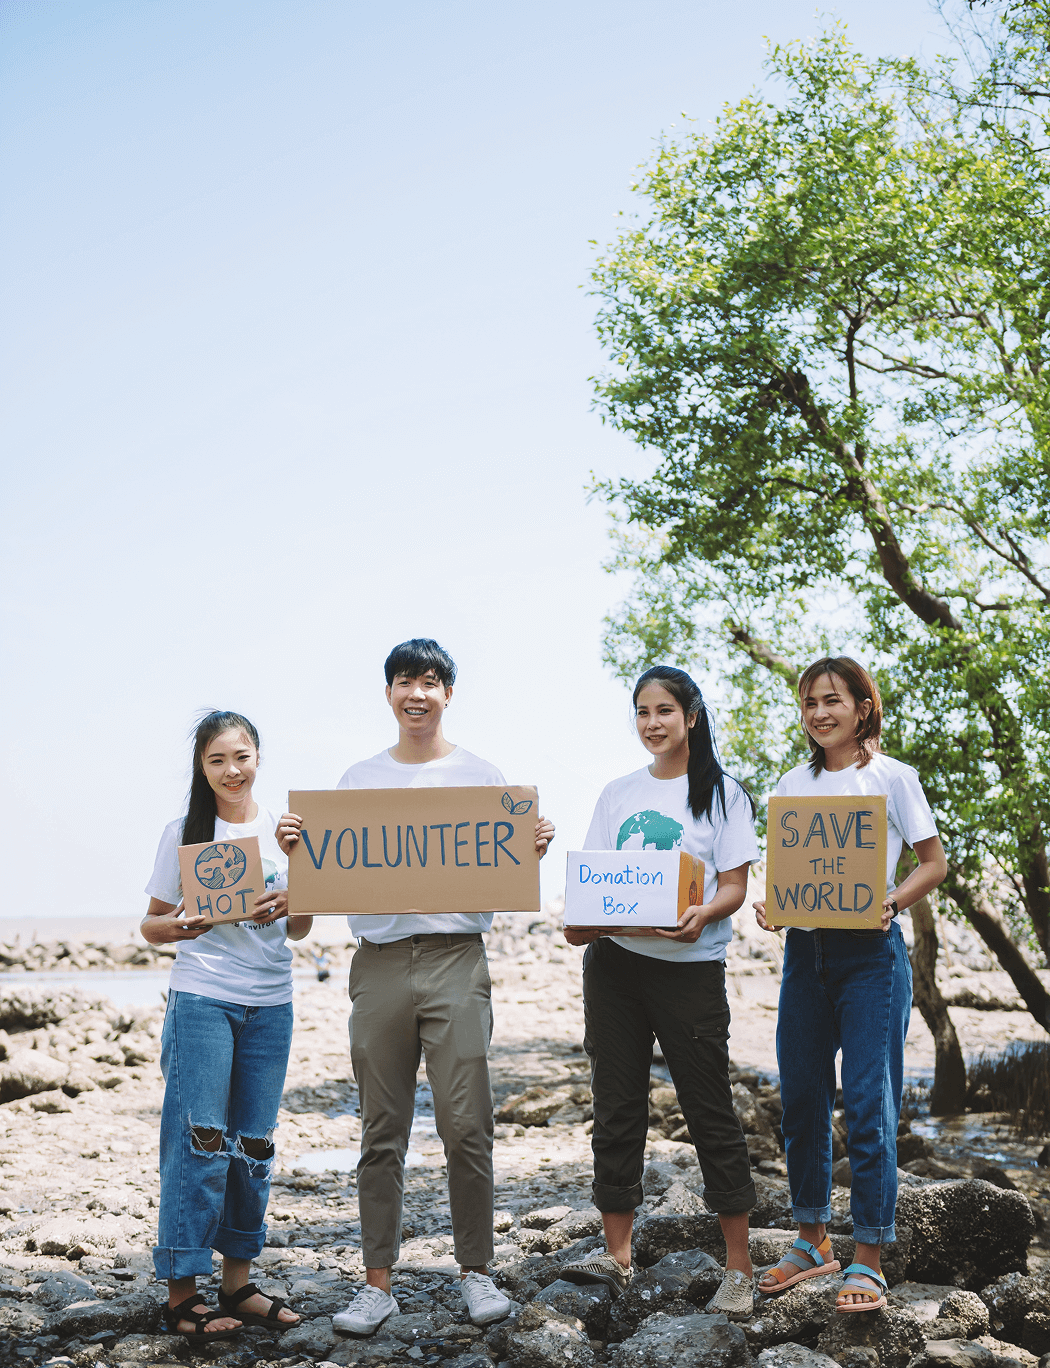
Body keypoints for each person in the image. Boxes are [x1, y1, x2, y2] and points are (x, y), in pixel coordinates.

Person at [277, 639, 555, 1335]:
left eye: (430, 682)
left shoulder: (482, 774)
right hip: (377, 962)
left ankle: (476, 1271)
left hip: (457, 958)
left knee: (468, 1125)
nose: (418, 694)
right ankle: (377, 1283)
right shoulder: (358, 778)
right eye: (406, 681)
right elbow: (320, 885)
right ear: (390, 693)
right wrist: (296, 851)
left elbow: (500, 863)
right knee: (381, 1128)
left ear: (448, 694)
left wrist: (530, 845)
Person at [561, 665, 760, 1321]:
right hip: (615, 968)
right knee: (617, 1105)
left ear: (692, 718)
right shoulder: (618, 794)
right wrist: (580, 920)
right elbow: (595, 881)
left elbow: (734, 884)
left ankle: (740, 1268)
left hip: (689, 968)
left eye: (664, 711)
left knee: (709, 1108)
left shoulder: (723, 794)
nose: (652, 723)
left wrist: (705, 912)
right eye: (642, 712)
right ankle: (617, 1257)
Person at [754, 658, 947, 1312]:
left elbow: (934, 862)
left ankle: (868, 1254)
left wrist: (891, 900)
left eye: (832, 700)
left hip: (871, 956)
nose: (818, 713)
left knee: (869, 1100)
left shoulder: (893, 778)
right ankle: (811, 1241)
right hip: (804, 952)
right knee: (802, 1095)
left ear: (863, 706)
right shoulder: (791, 781)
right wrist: (772, 905)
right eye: (809, 702)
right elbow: (791, 871)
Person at [142, 710, 313, 1346]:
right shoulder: (184, 832)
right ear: (202, 768)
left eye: (240, 757)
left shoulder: (286, 832)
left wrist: (296, 895)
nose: (230, 771)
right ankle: (183, 1293)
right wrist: (182, 925)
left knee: (254, 1144)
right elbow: (151, 924)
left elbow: (298, 930)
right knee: (198, 1140)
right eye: (216, 761)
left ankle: (237, 1284)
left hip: (272, 1003)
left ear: (259, 757)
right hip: (203, 998)